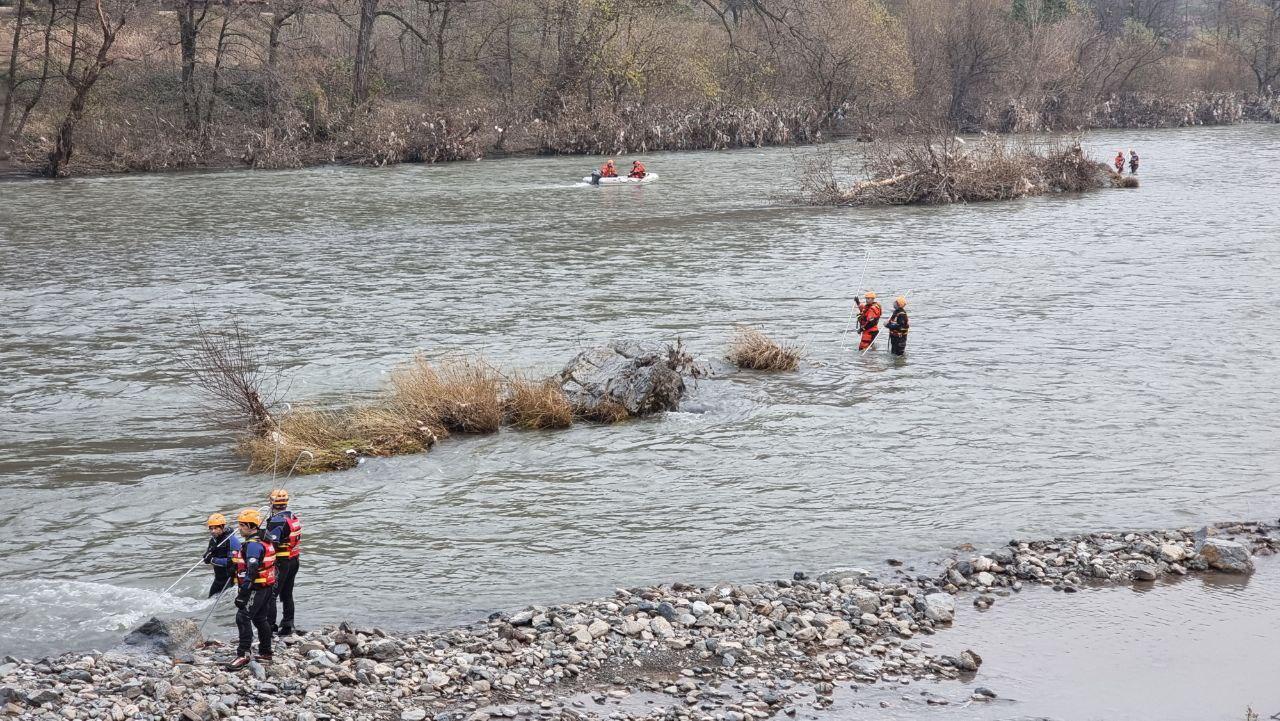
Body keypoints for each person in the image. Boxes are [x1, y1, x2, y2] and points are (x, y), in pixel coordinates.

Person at [227, 508, 277, 670]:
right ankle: (265, 651)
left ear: (249, 525)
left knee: (243, 617)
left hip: (256, 587)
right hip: (266, 586)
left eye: (241, 525)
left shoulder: (253, 545)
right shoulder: (264, 540)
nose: (239, 529)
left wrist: (244, 593)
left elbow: (252, 569)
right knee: (260, 619)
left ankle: (243, 654)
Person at [265, 488, 302, 637]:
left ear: (271, 502)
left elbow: (272, 543)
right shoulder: (292, 516)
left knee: (271, 595)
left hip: (282, 562)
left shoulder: (277, 521)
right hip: (294, 559)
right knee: (287, 593)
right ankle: (288, 623)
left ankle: (270, 626)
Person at [202, 513, 240, 598]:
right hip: (218, 579)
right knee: (209, 600)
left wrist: (212, 560)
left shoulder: (231, 540)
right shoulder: (213, 540)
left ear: (222, 527)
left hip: (230, 580)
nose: (213, 531)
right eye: (211, 528)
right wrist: (206, 557)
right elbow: (209, 556)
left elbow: (232, 562)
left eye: (216, 528)